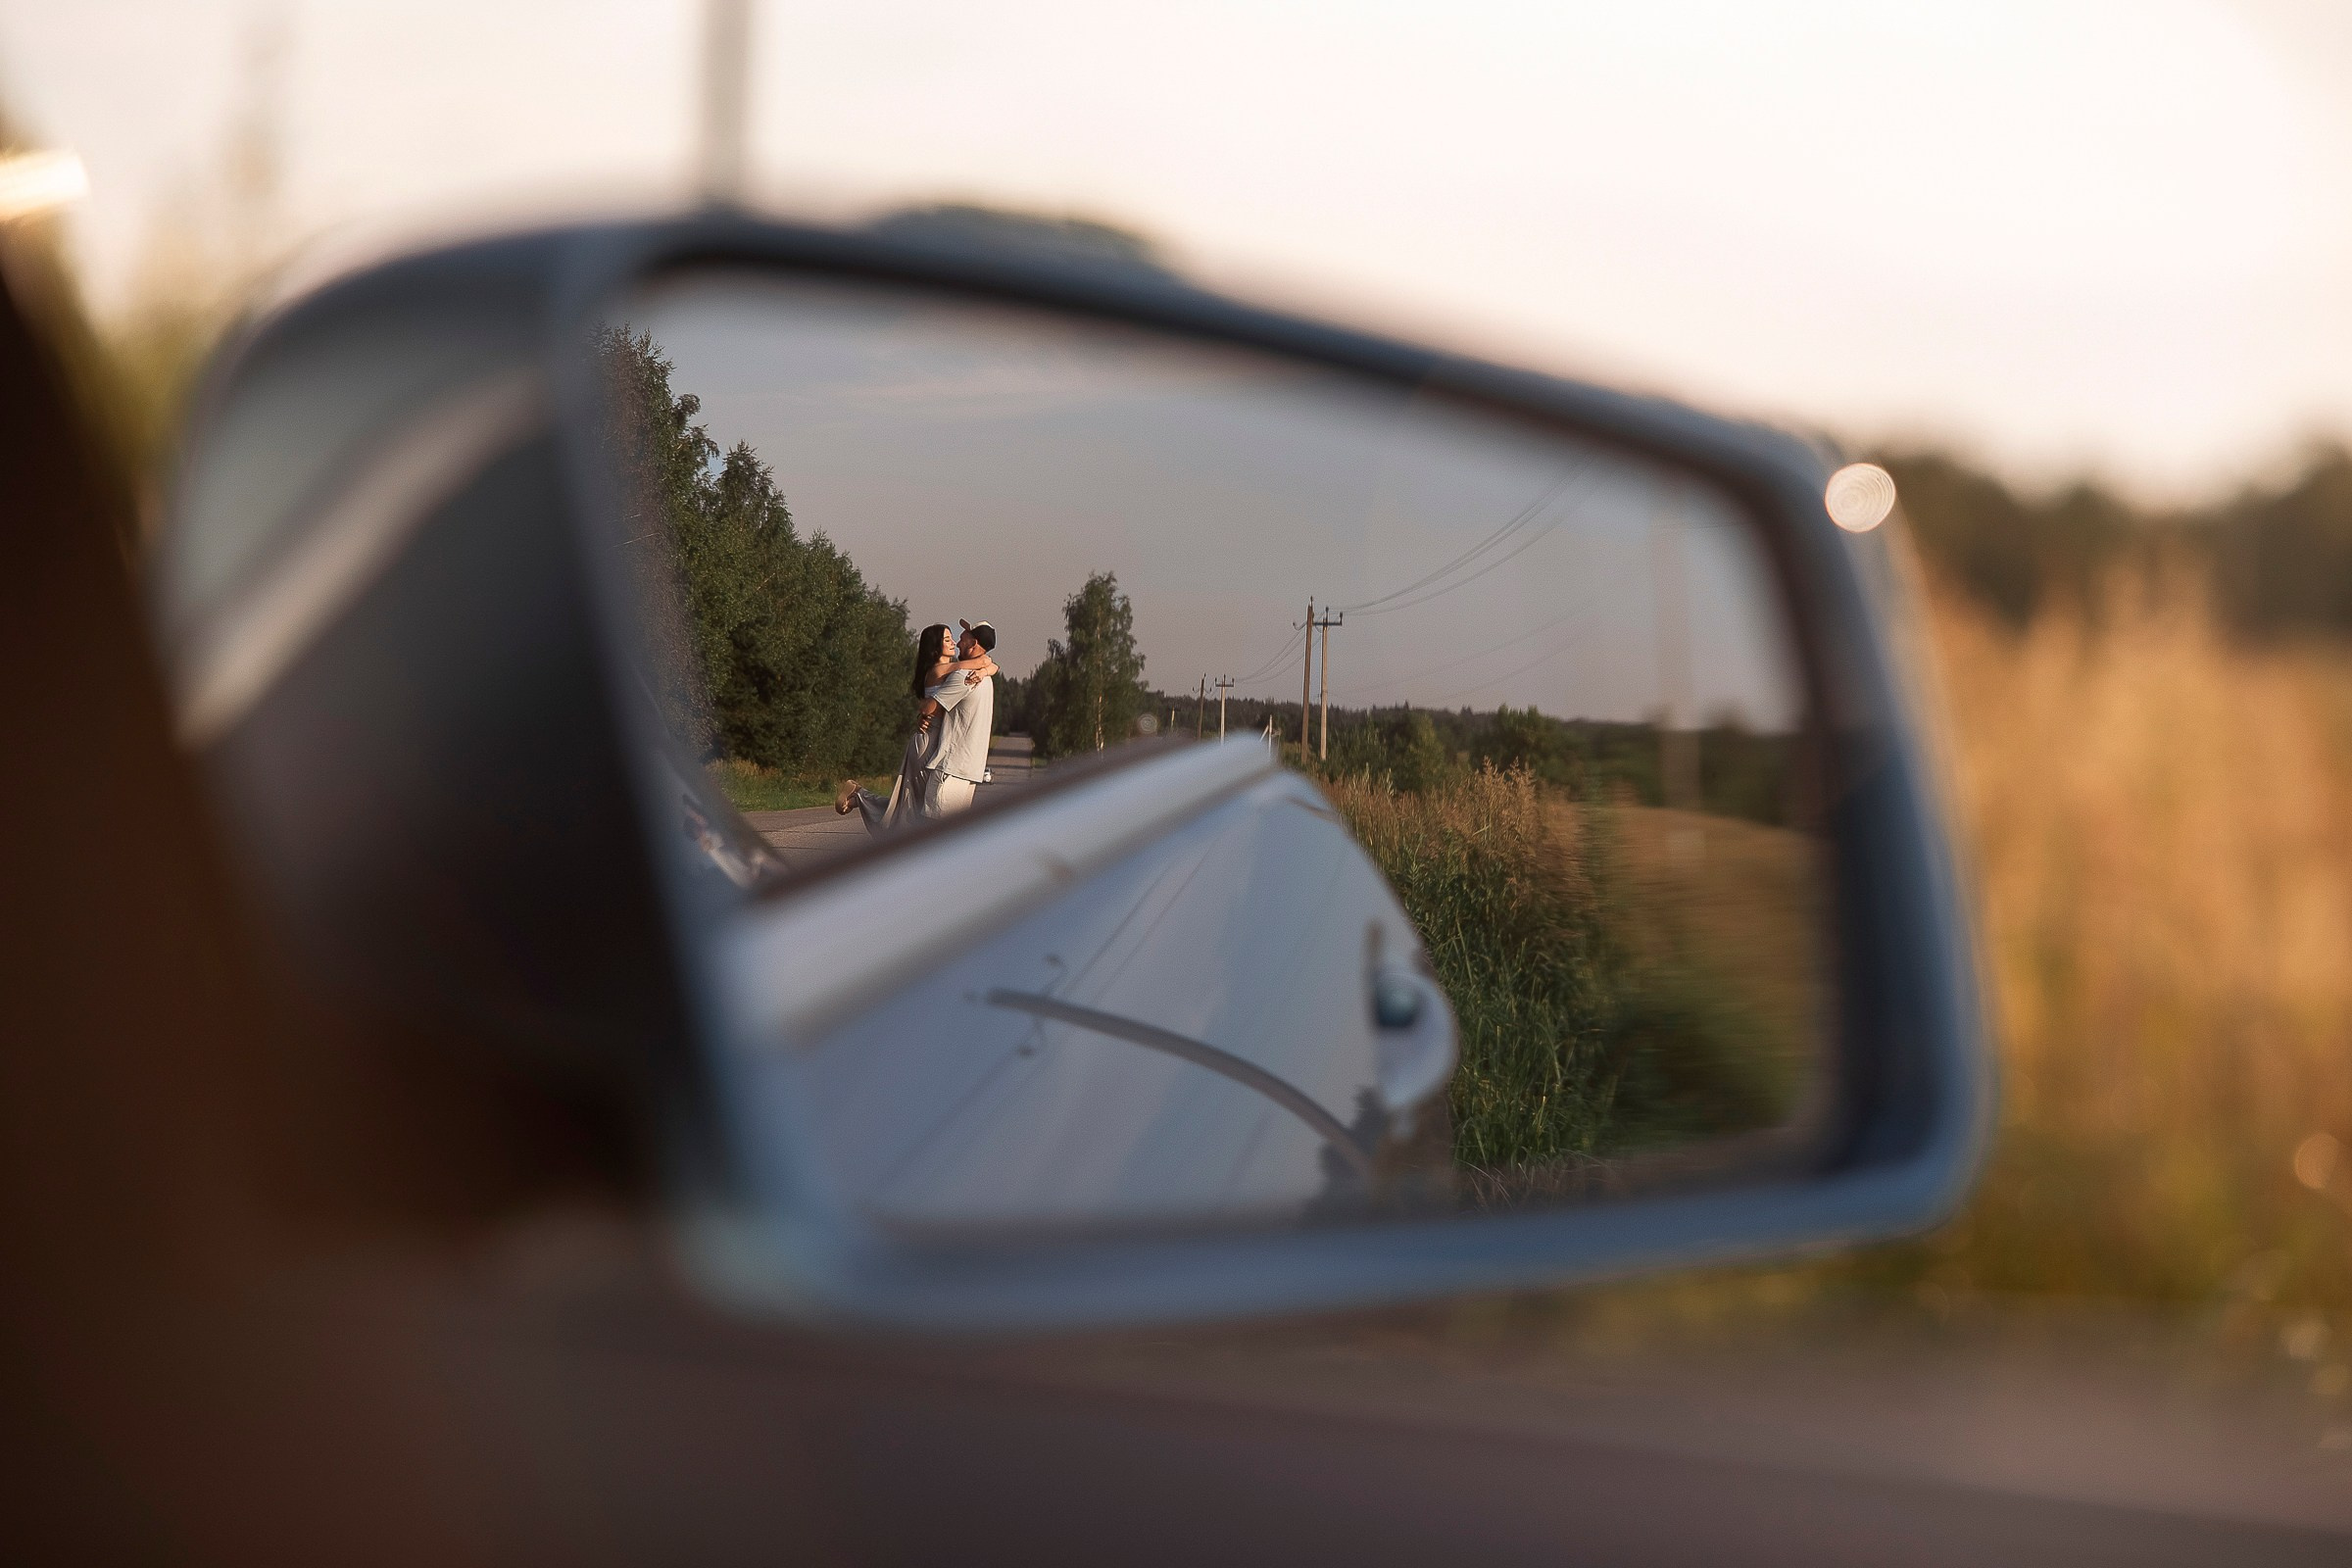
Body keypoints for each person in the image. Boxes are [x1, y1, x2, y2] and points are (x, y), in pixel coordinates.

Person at [836, 620, 997, 836]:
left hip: (932, 744)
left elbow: (986, 664)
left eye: (958, 638)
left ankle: (860, 797)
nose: (956, 643)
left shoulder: (960, 674)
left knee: (909, 810)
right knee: (910, 812)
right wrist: (984, 665)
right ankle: (862, 799)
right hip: (928, 743)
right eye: (948, 640)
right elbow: (927, 707)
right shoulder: (948, 670)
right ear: (936, 647)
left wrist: (986, 668)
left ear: (973, 641)